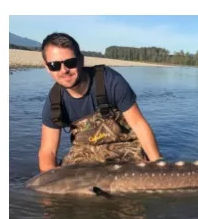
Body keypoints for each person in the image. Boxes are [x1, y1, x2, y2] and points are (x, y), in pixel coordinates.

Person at [37, 32, 162, 172]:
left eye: (70, 62)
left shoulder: (110, 81)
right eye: (54, 65)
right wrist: (49, 183)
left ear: (81, 60)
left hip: (124, 149)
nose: (64, 70)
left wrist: (157, 166)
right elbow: (48, 152)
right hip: (85, 155)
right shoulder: (54, 101)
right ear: (47, 67)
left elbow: (139, 125)